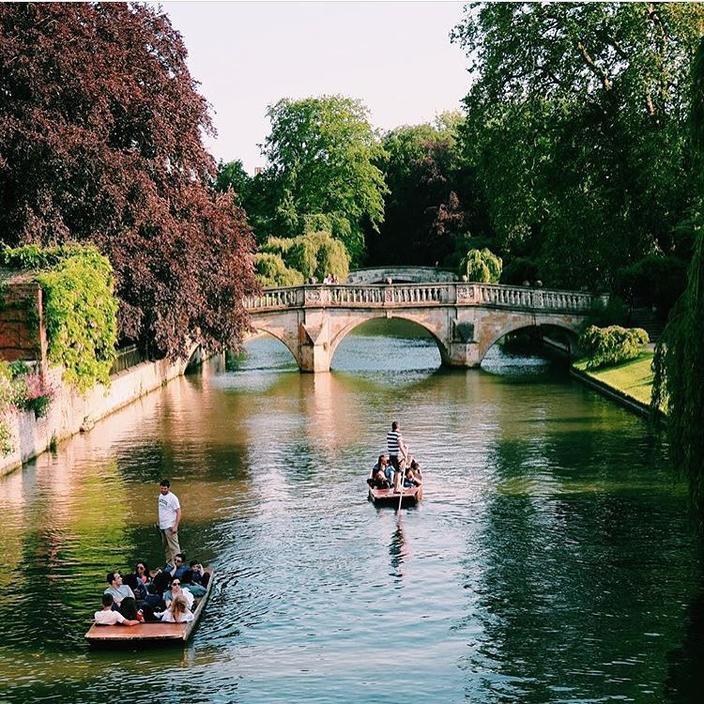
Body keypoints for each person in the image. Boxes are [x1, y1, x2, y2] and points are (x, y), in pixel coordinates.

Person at [158, 478, 181, 565]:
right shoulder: (160, 496)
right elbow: (162, 510)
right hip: (162, 526)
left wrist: (175, 526)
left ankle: (178, 565)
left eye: (165, 488)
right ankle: (169, 564)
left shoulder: (173, 498)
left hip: (170, 526)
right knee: (166, 547)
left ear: (168, 488)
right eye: (162, 488)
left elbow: (179, 512)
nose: (163, 490)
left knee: (174, 547)